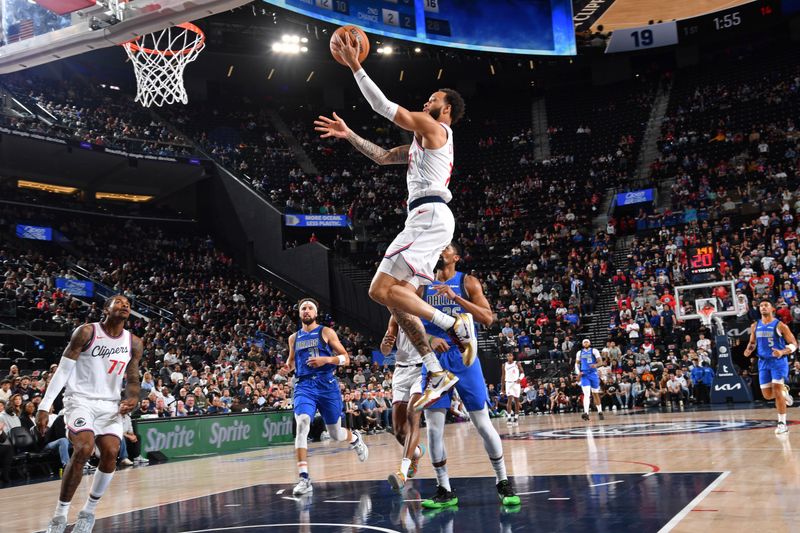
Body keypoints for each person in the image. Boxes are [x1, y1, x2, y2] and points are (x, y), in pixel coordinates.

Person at [316, 34, 473, 409]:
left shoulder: (435, 129)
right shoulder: (424, 143)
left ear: (447, 110)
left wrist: (356, 65)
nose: (426, 102)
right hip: (429, 217)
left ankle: (454, 325)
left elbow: (386, 107)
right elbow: (384, 157)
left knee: (379, 289)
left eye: (434, 99)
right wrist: (349, 134)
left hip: (429, 214)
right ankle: (436, 370)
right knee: (394, 300)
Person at [419, 243, 520, 509]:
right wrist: (428, 338)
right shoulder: (422, 282)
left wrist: (456, 298)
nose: (440, 250)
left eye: (446, 248)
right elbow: (408, 317)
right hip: (434, 359)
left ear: (456, 257)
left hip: (465, 356)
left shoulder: (467, 281)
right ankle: (444, 489)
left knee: (483, 424)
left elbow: (488, 318)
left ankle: (503, 481)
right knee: (433, 429)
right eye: (438, 246)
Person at [41, 295, 142, 533]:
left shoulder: (134, 342)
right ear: (106, 308)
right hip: (80, 400)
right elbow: (63, 371)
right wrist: (44, 406)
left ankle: (88, 512)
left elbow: (134, 377)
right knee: (84, 448)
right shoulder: (86, 332)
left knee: (111, 452)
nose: (124, 305)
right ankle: (60, 515)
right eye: (118, 301)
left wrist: (133, 397)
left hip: (110, 405)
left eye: (127, 302)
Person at [288, 298, 368, 496]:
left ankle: (355, 438)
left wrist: (326, 359)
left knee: (335, 434)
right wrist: (288, 367)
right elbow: (291, 361)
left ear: (316, 313)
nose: (306, 311)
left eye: (310, 308)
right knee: (302, 424)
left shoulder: (326, 332)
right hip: (304, 386)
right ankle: (304, 478)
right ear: (299, 314)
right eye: (303, 308)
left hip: (327, 386)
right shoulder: (293, 338)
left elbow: (346, 359)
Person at [380, 316, 431, 491]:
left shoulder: (423, 311)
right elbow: (385, 350)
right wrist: (386, 345)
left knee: (412, 414)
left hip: (421, 369)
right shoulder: (395, 316)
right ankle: (417, 452)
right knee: (399, 432)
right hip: (400, 372)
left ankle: (402, 472)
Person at [744, 299, 798, 434]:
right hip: (762, 362)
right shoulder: (755, 326)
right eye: (761, 305)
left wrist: (782, 351)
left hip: (778, 361)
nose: (763, 307)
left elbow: (794, 344)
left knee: (777, 389)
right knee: (767, 395)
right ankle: (784, 392)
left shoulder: (780, 325)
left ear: (772, 309)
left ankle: (782, 423)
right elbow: (752, 342)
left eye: (766, 305)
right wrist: (749, 349)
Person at [575, 339, 604, 421]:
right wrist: (578, 373)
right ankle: (586, 413)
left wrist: (596, 365)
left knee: (595, 393)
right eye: (584, 342)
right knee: (586, 394)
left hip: (593, 374)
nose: (586, 343)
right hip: (584, 374)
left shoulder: (594, 351)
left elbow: (600, 362)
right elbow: (576, 363)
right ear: (582, 344)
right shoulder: (579, 352)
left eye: (587, 342)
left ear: (590, 343)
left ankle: (600, 411)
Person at [501, 353, 524, 426]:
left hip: (516, 383)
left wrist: (519, 379)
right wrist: (502, 389)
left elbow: (522, 373)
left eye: (510, 356)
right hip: (508, 383)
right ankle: (509, 417)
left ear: (513, 357)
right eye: (507, 356)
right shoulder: (504, 365)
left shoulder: (517, 363)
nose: (509, 357)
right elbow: (503, 376)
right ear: (506, 357)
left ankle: (516, 417)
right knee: (509, 400)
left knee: (517, 400)